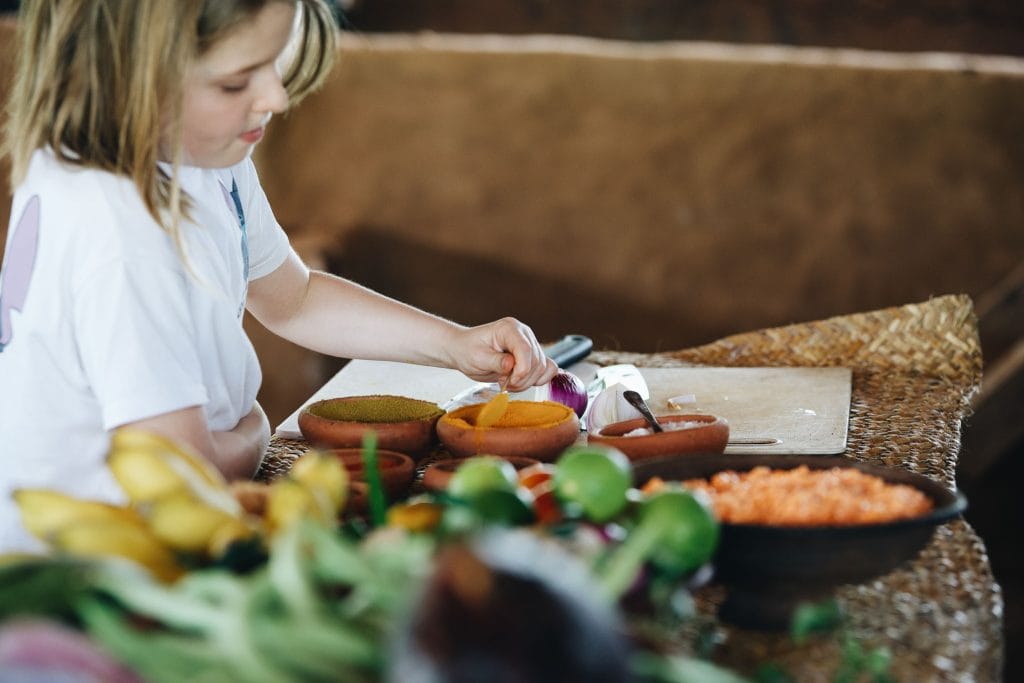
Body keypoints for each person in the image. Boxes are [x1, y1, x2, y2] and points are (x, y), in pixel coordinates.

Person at [0, 0, 557, 551]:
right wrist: (256, 430)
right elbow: (181, 479)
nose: (276, 96)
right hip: (90, 562)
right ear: (126, 76)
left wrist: (454, 344)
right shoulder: (122, 233)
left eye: (274, 62)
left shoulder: (201, 158)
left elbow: (295, 297)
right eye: (235, 83)